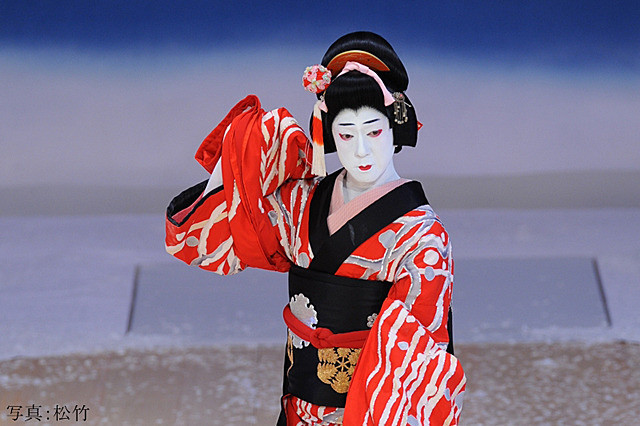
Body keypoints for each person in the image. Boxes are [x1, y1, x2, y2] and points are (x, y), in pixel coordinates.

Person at [165, 31, 465, 425]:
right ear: (328, 135)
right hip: (297, 404)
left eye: (373, 131)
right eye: (346, 134)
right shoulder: (303, 201)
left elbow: (416, 358)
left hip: (363, 411)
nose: (360, 149)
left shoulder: (422, 237)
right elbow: (218, 238)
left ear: (396, 125)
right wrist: (245, 150)